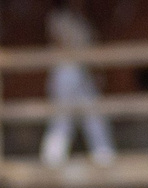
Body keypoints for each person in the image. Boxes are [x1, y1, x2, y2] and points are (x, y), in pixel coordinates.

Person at [40, 4, 114, 168]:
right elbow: (58, 42)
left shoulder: (83, 22)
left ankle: (103, 155)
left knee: (93, 112)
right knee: (61, 115)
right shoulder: (57, 18)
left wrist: (94, 68)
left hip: (83, 71)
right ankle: (52, 157)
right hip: (65, 70)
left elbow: (92, 46)